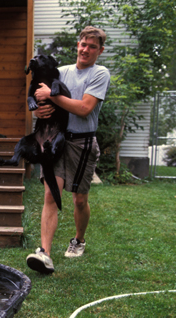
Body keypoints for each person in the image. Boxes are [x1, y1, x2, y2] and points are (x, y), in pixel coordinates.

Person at [26, 26, 111, 275]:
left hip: (82, 143)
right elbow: (35, 93)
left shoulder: (99, 73)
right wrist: (36, 109)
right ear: (78, 44)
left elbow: (84, 108)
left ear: (100, 51)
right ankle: (44, 254)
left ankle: (78, 239)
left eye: (92, 46)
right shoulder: (60, 72)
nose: (86, 49)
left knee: (79, 199)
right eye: (83, 44)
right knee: (51, 195)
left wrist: (50, 98)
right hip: (54, 139)